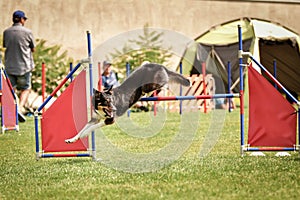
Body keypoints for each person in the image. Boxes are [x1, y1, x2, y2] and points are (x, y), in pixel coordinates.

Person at [3, 10, 35, 119]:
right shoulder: (27, 32)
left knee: (11, 89)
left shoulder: (6, 32)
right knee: (26, 88)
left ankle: (10, 110)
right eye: (24, 19)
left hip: (10, 66)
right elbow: (33, 48)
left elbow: (5, 45)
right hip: (24, 67)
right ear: (21, 20)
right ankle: (20, 108)